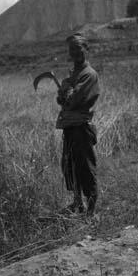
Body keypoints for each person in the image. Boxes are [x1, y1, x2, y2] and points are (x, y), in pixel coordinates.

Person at [56, 33, 100, 216]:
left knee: (85, 168)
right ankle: (77, 203)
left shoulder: (89, 75)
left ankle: (91, 210)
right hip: (69, 127)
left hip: (81, 127)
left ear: (86, 49)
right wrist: (65, 92)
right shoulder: (72, 75)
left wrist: (66, 91)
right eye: (71, 49)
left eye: (78, 47)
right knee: (70, 166)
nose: (75, 52)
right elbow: (61, 99)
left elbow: (72, 100)